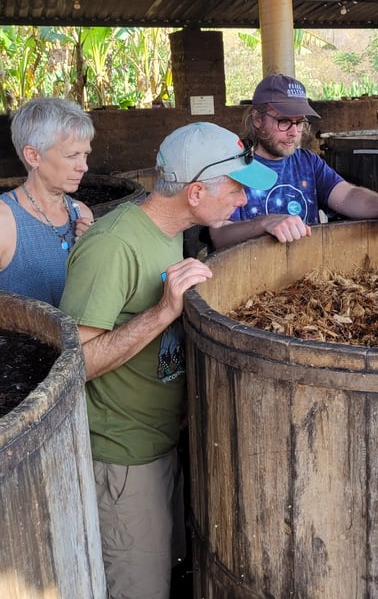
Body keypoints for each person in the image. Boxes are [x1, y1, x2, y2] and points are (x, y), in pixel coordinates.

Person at [58, 122, 277, 599]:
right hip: (122, 456)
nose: (244, 201)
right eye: (238, 190)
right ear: (196, 191)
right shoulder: (113, 246)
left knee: (172, 573)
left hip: (163, 441)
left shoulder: (172, 230)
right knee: (139, 587)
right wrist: (162, 312)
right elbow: (76, 365)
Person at [208, 73, 378, 250]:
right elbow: (219, 234)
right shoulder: (234, 166)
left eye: (300, 122)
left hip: (307, 273)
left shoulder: (309, 162)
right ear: (257, 119)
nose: (294, 132)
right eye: (283, 121)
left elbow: (347, 194)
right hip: (251, 275)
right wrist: (264, 223)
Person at [0, 97, 95, 306]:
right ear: (33, 156)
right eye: (72, 155)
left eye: (85, 155)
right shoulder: (5, 221)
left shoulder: (83, 214)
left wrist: (94, 250)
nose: (83, 166)